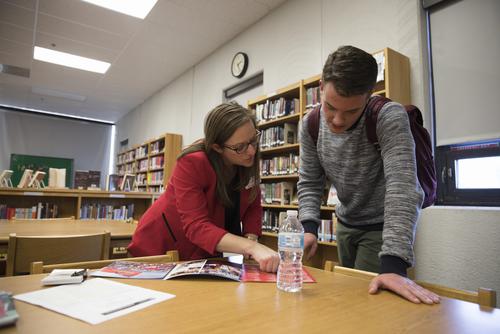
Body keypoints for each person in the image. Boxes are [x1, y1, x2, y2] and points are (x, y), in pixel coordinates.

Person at [298, 45, 440, 304]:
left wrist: (393, 265)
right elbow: (309, 180)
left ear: (369, 95)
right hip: (345, 224)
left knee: (366, 305)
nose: (338, 120)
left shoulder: (388, 116)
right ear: (321, 86)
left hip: (382, 227)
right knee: (347, 301)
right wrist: (309, 227)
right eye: (330, 107)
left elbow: (403, 186)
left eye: (351, 111)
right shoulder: (310, 123)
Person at [128, 102, 279, 273]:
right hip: (162, 246)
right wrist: (250, 247)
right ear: (217, 147)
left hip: (204, 254)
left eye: (253, 140)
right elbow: (196, 226)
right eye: (240, 147)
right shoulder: (192, 162)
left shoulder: (246, 160)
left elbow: (252, 203)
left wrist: (251, 236)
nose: (251, 151)